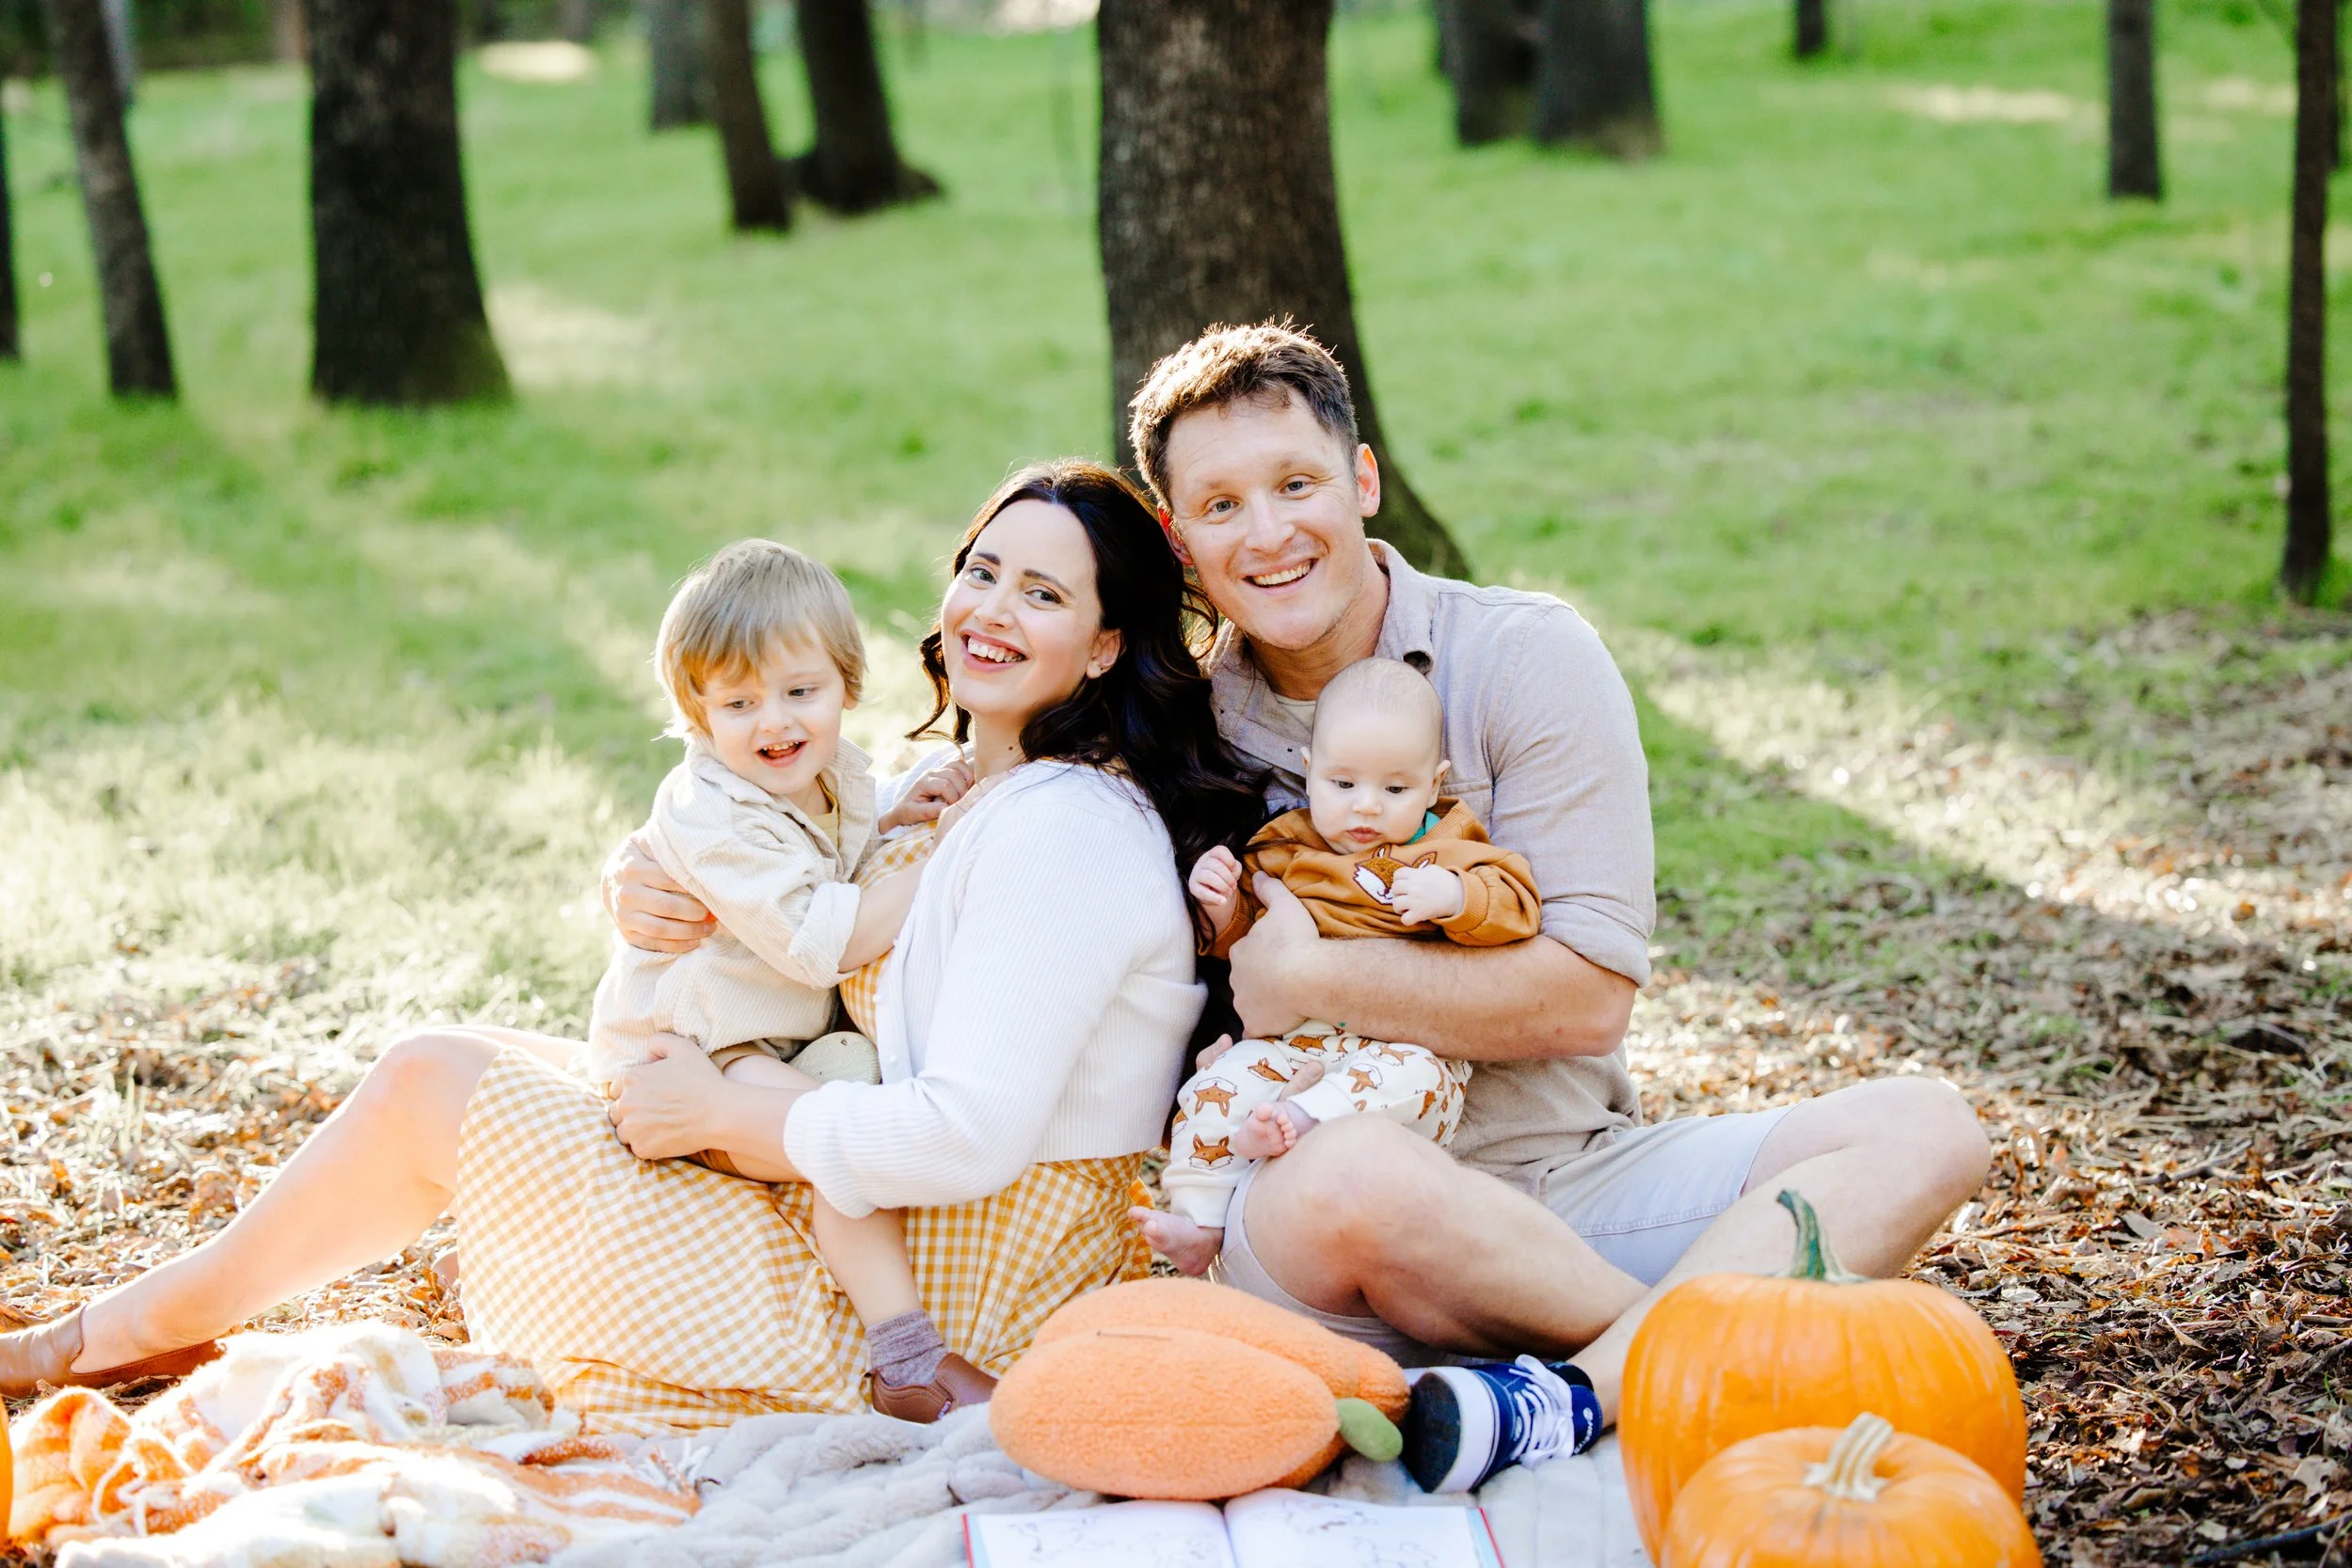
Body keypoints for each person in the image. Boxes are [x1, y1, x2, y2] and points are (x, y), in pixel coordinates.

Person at [0, 460, 1267, 1433]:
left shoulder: (1064, 831)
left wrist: (720, 1106)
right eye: (983, 570)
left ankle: (118, 1330)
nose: (990, 609)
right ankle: (153, 1314)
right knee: (452, 1061)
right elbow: (772, 849)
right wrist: (648, 872)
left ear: (1106, 643)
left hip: (948, 1303)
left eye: (1043, 593)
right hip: (867, 1210)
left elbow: (968, 1134)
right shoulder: (966, 787)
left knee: (438, 1083)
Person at [1111, 321, 1994, 1493]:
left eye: (1295, 483)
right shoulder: (1169, 719)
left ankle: (1570, 1394)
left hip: (1566, 1182)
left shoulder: (1526, 658)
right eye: (1220, 505)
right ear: (1177, 537)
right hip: (1310, 1219)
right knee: (1359, 1168)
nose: (1267, 533)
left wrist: (1315, 977)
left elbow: (1585, 999)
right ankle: (1714, 1372)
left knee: (1927, 1125)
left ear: (1363, 479)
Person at [583, 537, 992, 1419]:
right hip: (692, 1049)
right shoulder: (709, 811)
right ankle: (908, 1360)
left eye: (801, 692)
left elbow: (827, 849)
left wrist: (894, 815)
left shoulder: (828, 774)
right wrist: (944, 857)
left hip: (769, 1036)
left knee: (850, 1102)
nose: (774, 722)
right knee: (838, 1140)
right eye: (739, 703)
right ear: (697, 714)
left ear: (846, 682)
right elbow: (823, 939)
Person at [1139, 656, 1542, 1276]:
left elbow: (1518, 907)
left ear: (1434, 785)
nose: (1367, 808)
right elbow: (1244, 942)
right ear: (1310, 771)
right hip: (1293, 1043)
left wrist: (1457, 897)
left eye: (1395, 789)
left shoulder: (1451, 849)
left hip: (1404, 1050)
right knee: (1216, 1087)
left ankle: (1302, 1119)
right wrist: (1220, 904)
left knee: (1414, 1076)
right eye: (1344, 784)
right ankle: (1199, 1221)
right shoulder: (1286, 848)